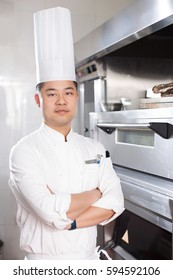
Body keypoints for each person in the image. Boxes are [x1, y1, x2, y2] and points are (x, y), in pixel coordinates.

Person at [9, 7, 124, 260]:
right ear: (38, 100)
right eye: (52, 94)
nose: (61, 100)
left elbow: (116, 204)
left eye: (68, 93)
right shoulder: (24, 151)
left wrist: (68, 220)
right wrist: (96, 193)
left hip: (87, 262)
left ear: (76, 96)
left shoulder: (93, 148)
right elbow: (50, 212)